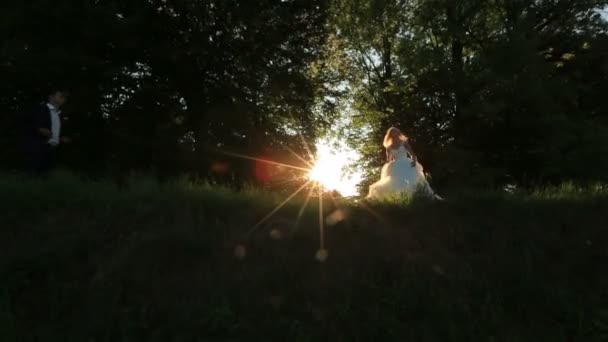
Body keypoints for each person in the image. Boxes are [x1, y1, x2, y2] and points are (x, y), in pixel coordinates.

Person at [367, 127, 440, 200]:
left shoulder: (404, 142)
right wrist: (388, 165)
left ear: (398, 133)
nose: (395, 134)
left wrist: (414, 161)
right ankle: (402, 197)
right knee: (396, 181)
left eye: (396, 132)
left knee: (412, 178)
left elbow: (412, 153)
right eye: (393, 133)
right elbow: (388, 160)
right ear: (391, 135)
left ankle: (419, 195)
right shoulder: (389, 147)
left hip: (407, 163)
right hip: (396, 165)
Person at [22, 88, 71, 176]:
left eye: (65, 97)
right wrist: (41, 129)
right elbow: (33, 125)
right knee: (32, 175)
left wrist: (60, 138)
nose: (63, 97)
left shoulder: (60, 114)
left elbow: (55, 130)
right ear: (51, 97)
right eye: (60, 95)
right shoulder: (41, 108)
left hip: (51, 150)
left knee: (45, 176)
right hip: (37, 148)